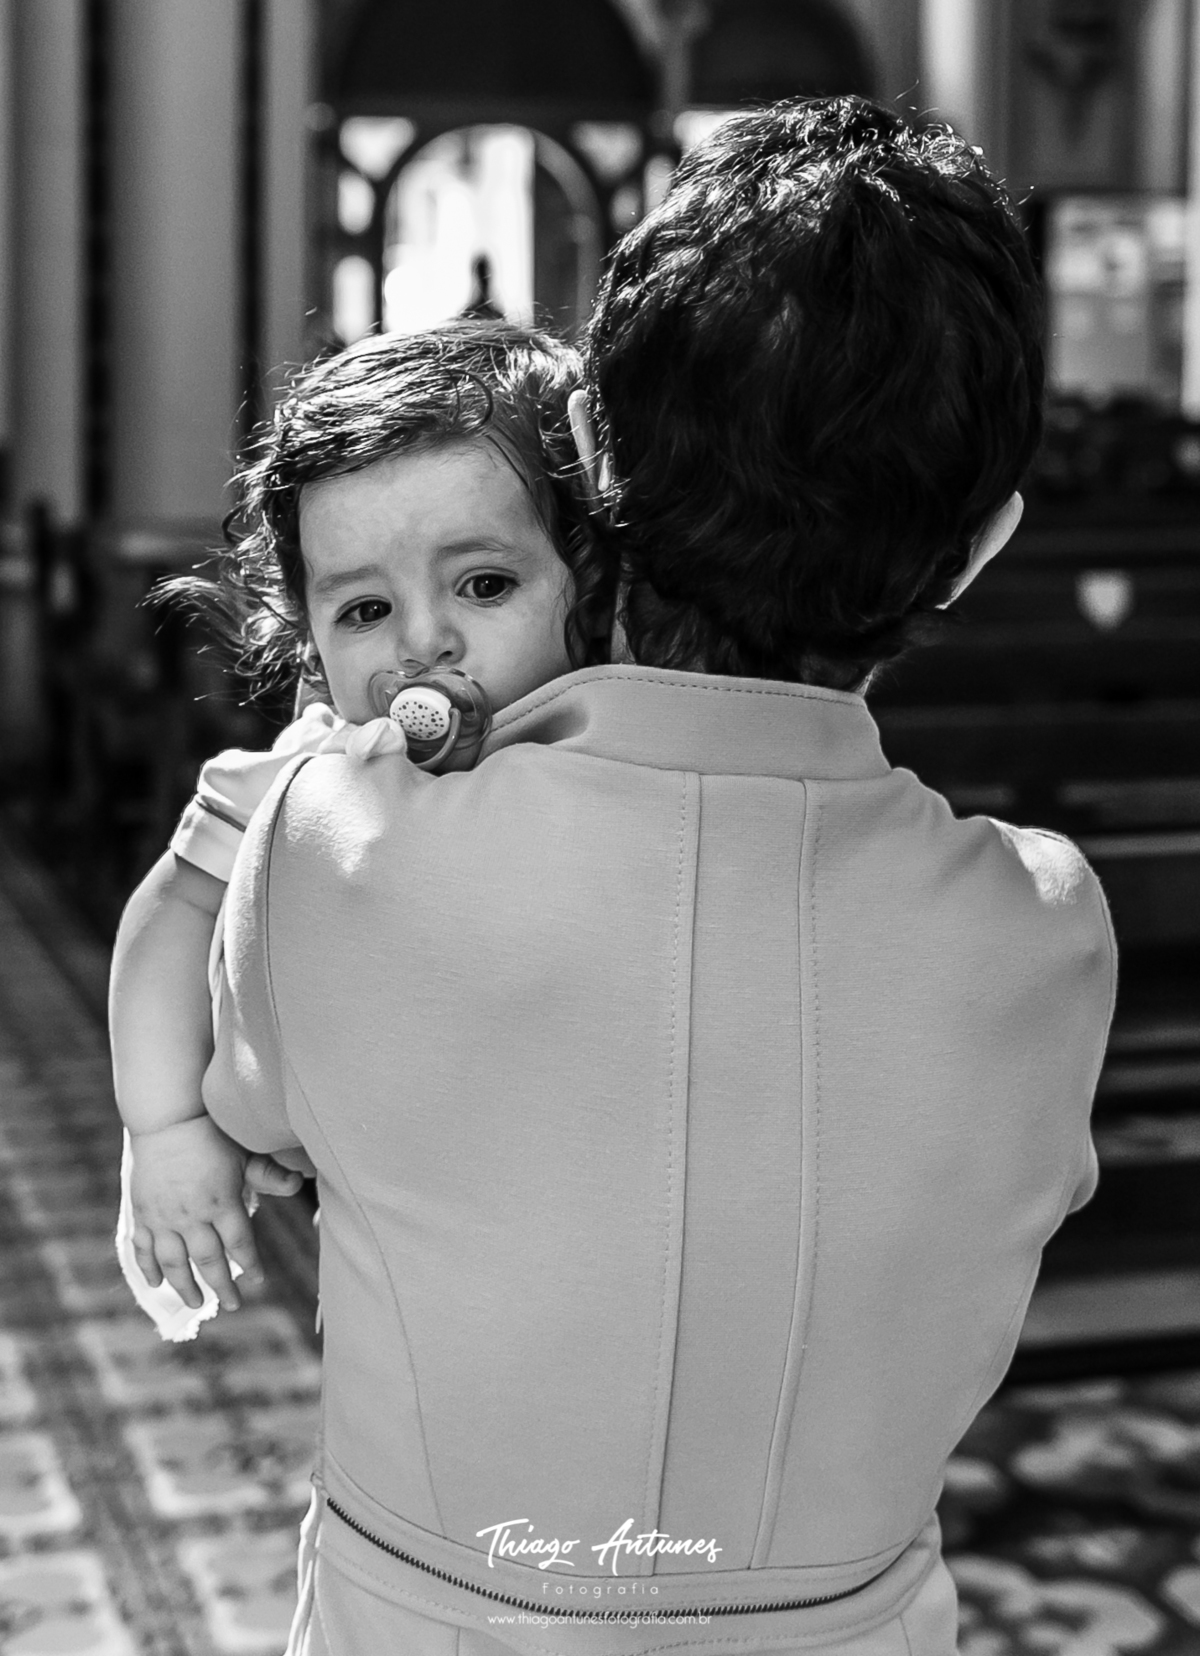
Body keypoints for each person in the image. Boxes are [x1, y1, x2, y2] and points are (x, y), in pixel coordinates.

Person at [201, 97, 1116, 1655]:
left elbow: (255, 1118)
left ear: (594, 452)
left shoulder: (336, 838)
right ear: (979, 547)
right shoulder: (1048, 932)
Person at [108, 322, 611, 1334]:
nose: (424, 640)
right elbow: (169, 920)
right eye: (366, 610)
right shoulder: (311, 771)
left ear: (590, 582)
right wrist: (162, 1129)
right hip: (402, 1242)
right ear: (306, 640)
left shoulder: (612, 755)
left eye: (485, 584)